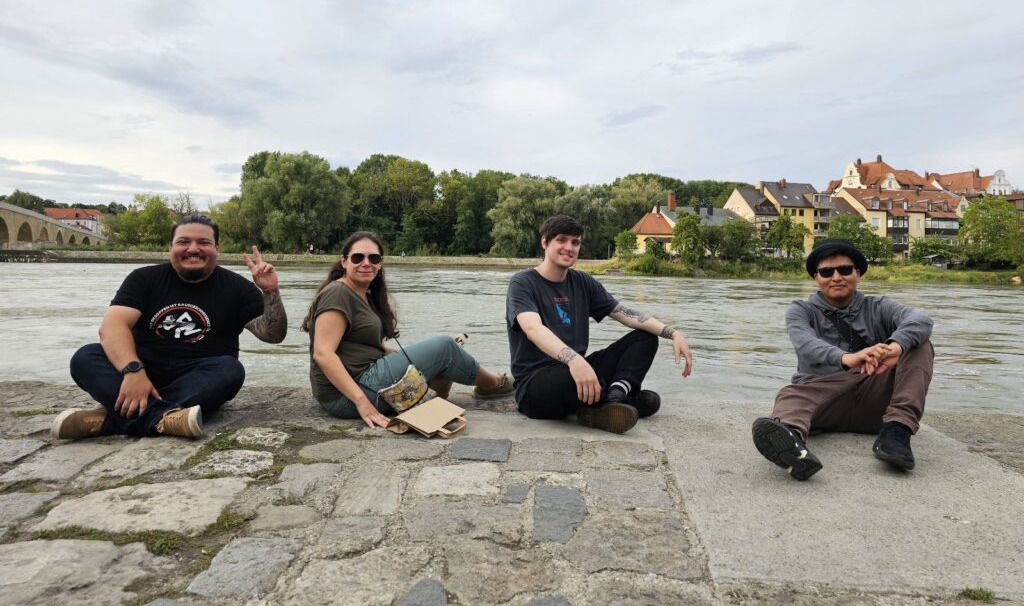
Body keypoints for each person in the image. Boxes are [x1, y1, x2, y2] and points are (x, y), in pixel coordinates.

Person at [52, 214, 288, 440]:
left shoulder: (238, 288)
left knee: (230, 370)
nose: (193, 248)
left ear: (217, 249)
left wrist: (269, 292)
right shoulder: (144, 279)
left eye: (204, 242)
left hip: (199, 374)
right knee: (85, 357)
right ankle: (165, 418)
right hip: (142, 366)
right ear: (170, 247)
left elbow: (273, 335)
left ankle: (112, 421)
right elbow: (112, 327)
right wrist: (133, 371)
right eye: (183, 241)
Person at [752, 238, 934, 480]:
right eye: (826, 272)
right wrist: (847, 358)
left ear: (857, 273)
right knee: (791, 395)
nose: (836, 277)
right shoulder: (801, 310)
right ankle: (792, 440)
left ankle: (897, 432)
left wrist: (895, 346)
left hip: (873, 396)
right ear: (816, 278)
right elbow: (806, 344)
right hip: (823, 399)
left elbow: (921, 318)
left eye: (845, 270)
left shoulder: (878, 306)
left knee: (919, 343)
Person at [304, 231, 514, 428]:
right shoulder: (338, 293)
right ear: (344, 261)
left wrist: (413, 358)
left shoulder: (364, 295)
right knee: (444, 346)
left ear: (380, 264)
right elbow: (323, 353)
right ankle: (494, 384)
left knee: (438, 354)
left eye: (374, 259)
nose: (366, 263)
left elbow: (367, 346)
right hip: (349, 395)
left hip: (366, 379)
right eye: (358, 257)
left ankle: (441, 383)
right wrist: (361, 402)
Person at [506, 215, 693, 434]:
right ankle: (620, 398)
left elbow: (624, 313)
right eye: (562, 240)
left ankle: (613, 398)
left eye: (575, 242)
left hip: (578, 369)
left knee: (645, 338)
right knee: (644, 400)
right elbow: (532, 329)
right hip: (536, 385)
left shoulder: (583, 282)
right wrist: (574, 359)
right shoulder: (523, 282)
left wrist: (673, 333)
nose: (569, 247)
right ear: (545, 242)